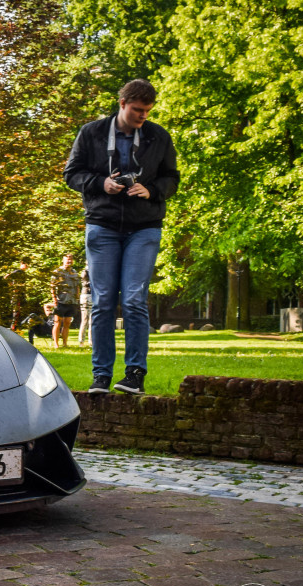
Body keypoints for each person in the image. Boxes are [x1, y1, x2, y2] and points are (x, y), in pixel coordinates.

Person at [64, 78, 179, 395]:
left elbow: (172, 177)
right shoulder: (92, 133)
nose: (142, 116)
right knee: (102, 302)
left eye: (147, 111)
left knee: (133, 299)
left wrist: (151, 189)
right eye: (137, 110)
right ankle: (101, 376)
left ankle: (134, 375)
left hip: (144, 227)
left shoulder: (158, 136)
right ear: (122, 104)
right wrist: (102, 183)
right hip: (102, 224)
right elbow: (71, 174)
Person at [49, 255, 80, 349]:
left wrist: (77, 298)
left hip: (72, 301)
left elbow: (77, 286)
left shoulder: (74, 272)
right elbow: (52, 286)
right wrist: (54, 299)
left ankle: (65, 343)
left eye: (70, 260)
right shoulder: (57, 272)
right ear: (63, 260)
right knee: (57, 322)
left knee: (67, 323)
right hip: (61, 301)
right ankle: (56, 344)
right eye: (67, 260)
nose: (69, 261)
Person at [4, 261, 29, 331]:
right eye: (25, 264)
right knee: (16, 310)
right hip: (16, 294)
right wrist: (13, 287)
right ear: (21, 264)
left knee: (20, 310)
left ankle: (16, 326)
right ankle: (13, 327)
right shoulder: (18, 272)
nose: (26, 266)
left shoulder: (23, 273)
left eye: (27, 265)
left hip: (21, 293)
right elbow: (6, 277)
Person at [77, 266, 92, 346]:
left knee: (92, 320)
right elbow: (85, 283)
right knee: (85, 320)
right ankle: (81, 341)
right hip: (86, 296)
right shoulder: (85, 271)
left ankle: (91, 341)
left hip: (93, 295)